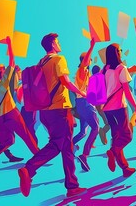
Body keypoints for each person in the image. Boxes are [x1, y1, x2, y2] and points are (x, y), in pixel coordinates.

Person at [18, 33, 87, 197]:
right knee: (57, 145)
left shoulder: (41, 62)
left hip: (45, 112)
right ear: (53, 44)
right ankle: (29, 168)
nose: (60, 43)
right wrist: (82, 93)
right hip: (60, 109)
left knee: (67, 147)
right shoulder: (58, 59)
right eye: (58, 40)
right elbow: (65, 81)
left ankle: (72, 185)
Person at [0, 37, 39, 181]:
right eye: (3, 69)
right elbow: (12, 62)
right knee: (27, 136)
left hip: (0, 119)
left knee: (8, 142)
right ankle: (39, 158)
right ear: (0, 73)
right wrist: (10, 45)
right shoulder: (2, 83)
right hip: (12, 115)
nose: (6, 69)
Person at [102, 43, 136, 177]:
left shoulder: (104, 69)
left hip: (106, 109)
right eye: (120, 50)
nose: (121, 52)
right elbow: (127, 91)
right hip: (119, 107)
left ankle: (124, 168)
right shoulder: (121, 68)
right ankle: (113, 152)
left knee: (116, 136)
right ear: (117, 53)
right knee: (127, 136)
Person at [72, 38, 100, 172]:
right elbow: (84, 62)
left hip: (82, 105)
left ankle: (69, 146)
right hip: (85, 104)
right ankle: (84, 155)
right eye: (88, 59)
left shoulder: (86, 74)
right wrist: (92, 46)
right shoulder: (82, 71)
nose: (90, 61)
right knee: (96, 128)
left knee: (83, 132)